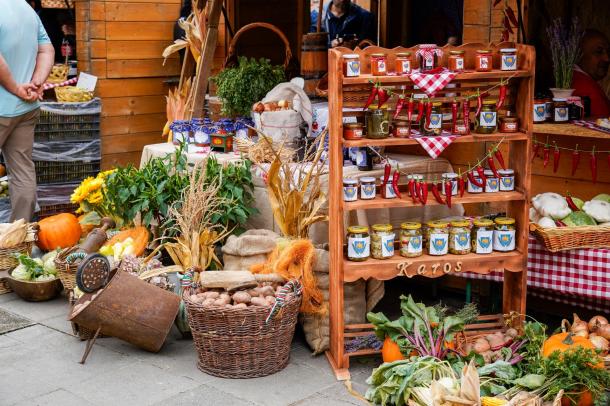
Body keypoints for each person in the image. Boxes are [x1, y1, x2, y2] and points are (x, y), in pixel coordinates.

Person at [0, 0, 54, 221]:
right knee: (22, 171)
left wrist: (15, 87)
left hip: (6, 104)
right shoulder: (26, 9)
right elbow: (47, 49)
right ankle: (19, 238)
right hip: (26, 107)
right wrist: (37, 82)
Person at [572, 29, 610, 117]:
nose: (607, 58)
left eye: (608, 52)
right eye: (598, 52)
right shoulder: (584, 86)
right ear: (579, 55)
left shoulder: (578, 78)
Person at [310, 0, 376, 48]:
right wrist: (330, 45)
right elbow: (311, 47)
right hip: (324, 64)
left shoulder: (365, 17)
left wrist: (356, 46)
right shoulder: (315, 17)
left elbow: (369, 48)